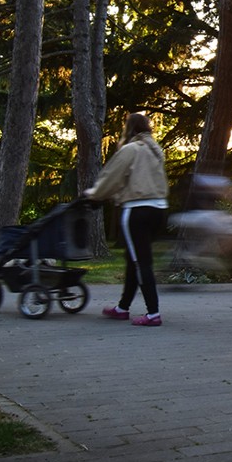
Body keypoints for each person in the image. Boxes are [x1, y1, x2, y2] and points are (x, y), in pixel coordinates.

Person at [83, 113, 169, 326]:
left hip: (137, 211)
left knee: (141, 262)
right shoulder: (155, 151)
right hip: (159, 210)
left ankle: (153, 314)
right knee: (134, 259)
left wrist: (94, 195)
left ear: (129, 128)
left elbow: (111, 177)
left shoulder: (131, 150)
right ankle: (123, 308)